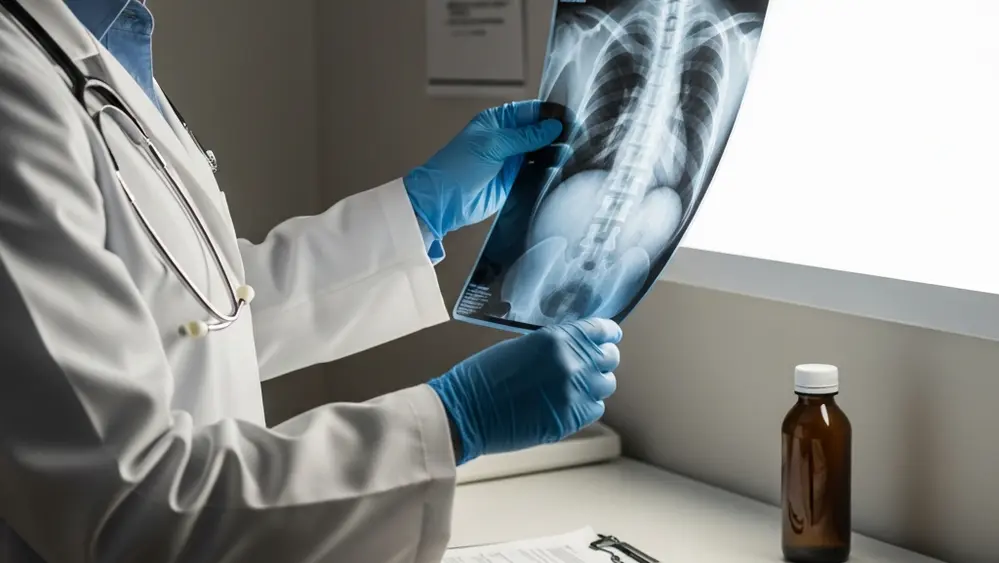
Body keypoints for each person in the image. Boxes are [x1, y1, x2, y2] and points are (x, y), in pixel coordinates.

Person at [0, 1, 622, 562]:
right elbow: (130, 505)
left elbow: (191, 315)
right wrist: (453, 419)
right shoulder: (16, 88)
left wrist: (415, 213)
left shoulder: (99, 43)